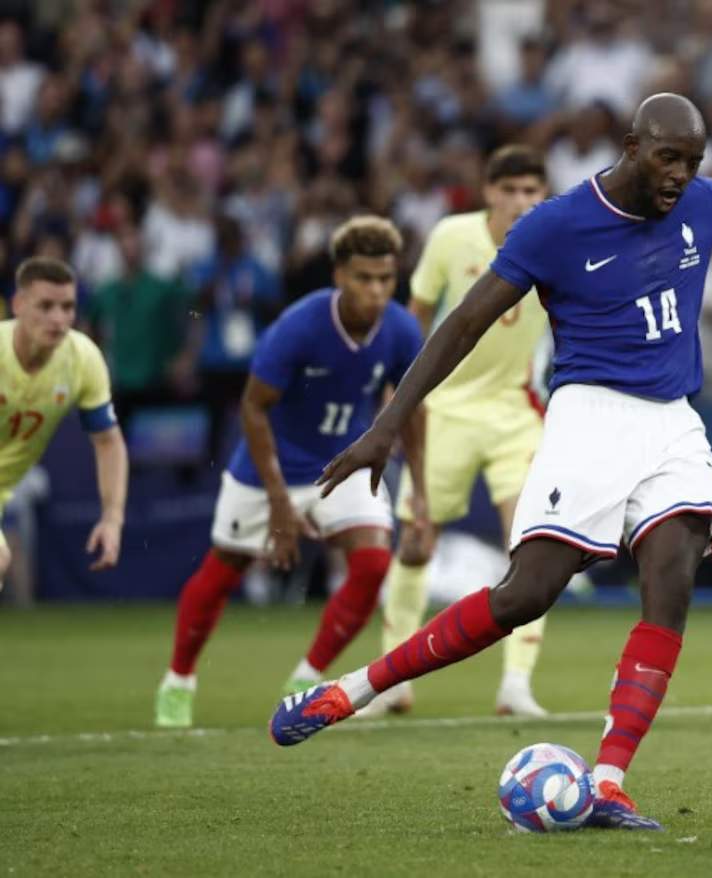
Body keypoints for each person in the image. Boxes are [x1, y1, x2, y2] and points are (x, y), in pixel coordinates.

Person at [270, 94, 712, 830]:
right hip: (588, 417)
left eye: (693, 162)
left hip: (674, 421)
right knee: (524, 597)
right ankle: (352, 691)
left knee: (674, 570)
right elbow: (462, 323)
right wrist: (387, 426)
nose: (680, 176)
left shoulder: (707, 206)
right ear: (631, 145)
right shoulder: (557, 225)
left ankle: (610, 781)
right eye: (667, 158)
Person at [153, 216, 427, 729]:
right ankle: (178, 681)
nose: (376, 290)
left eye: (385, 279)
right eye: (364, 278)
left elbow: (412, 408)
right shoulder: (298, 326)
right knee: (222, 571)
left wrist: (422, 498)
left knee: (371, 565)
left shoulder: (401, 329)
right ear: (339, 275)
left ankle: (306, 677)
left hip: (341, 467)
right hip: (268, 469)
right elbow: (253, 409)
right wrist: (279, 503)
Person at [362, 145, 553, 720]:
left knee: (533, 546)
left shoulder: (556, 239)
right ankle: (392, 680)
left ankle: (515, 685)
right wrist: (393, 404)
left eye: (531, 191)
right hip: (443, 409)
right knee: (418, 543)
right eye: (511, 190)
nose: (521, 202)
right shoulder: (451, 237)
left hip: (515, 412)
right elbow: (411, 320)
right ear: (490, 192)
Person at [0, 257, 127, 588]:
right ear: (18, 305)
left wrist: (112, 519)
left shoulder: (83, 359)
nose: (58, 319)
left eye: (67, 307)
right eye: (46, 306)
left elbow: (108, 441)